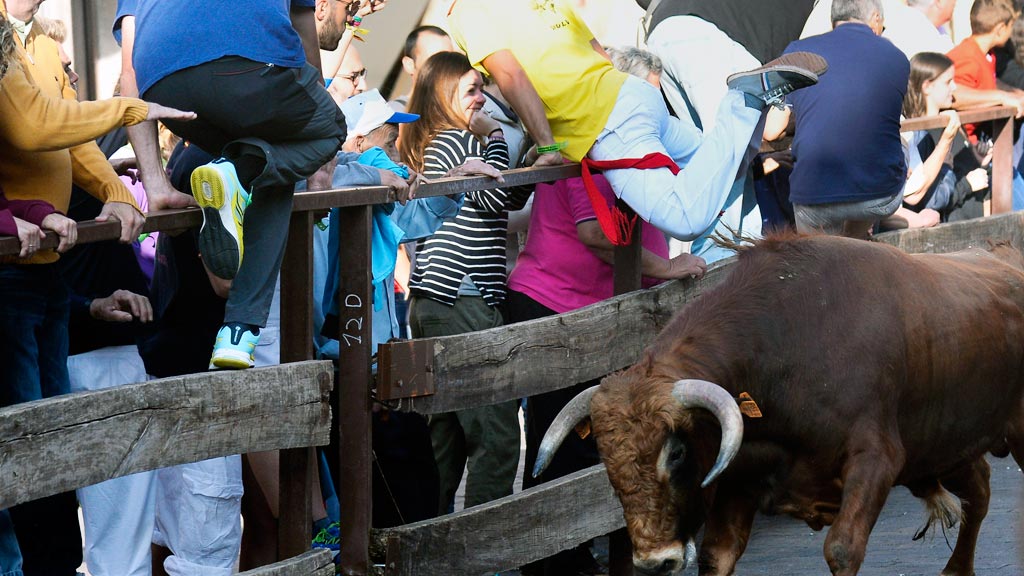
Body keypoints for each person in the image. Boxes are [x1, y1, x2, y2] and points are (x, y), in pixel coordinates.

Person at [446, 0, 824, 247]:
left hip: (603, 118)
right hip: (630, 94)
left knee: (685, 218)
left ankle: (745, 100)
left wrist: (547, 146)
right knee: (717, 168)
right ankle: (748, 110)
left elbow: (511, 76)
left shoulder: (467, 12)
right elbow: (596, 50)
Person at [120, 0, 352, 369]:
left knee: (268, 156)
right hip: (252, 60)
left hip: (162, 85)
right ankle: (240, 172)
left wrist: (156, 182)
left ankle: (238, 333)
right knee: (330, 129)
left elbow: (129, 72)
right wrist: (316, 154)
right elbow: (302, 20)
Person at [401, 51, 530, 514]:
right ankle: (481, 552)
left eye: (482, 89)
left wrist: (531, 160)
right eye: (471, 91)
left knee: (447, 439)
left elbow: (503, 194)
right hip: (462, 294)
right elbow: (497, 196)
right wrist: (496, 134)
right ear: (443, 97)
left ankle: (428, 545)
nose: (483, 99)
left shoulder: (439, 143)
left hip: (442, 300)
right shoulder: (455, 142)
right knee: (495, 435)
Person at [776, 0, 910, 238]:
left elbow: (774, 130)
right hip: (876, 194)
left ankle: (840, 249)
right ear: (875, 19)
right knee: (903, 145)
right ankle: (855, 239)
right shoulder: (896, 56)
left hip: (812, 193)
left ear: (834, 20)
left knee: (817, 263)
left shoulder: (797, 51)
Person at [885, 51, 991, 229]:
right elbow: (926, 200)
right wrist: (966, 185)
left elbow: (961, 168)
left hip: (975, 219)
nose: (955, 87)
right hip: (954, 229)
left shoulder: (951, 121)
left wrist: (980, 162)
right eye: (948, 82)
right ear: (927, 86)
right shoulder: (918, 135)